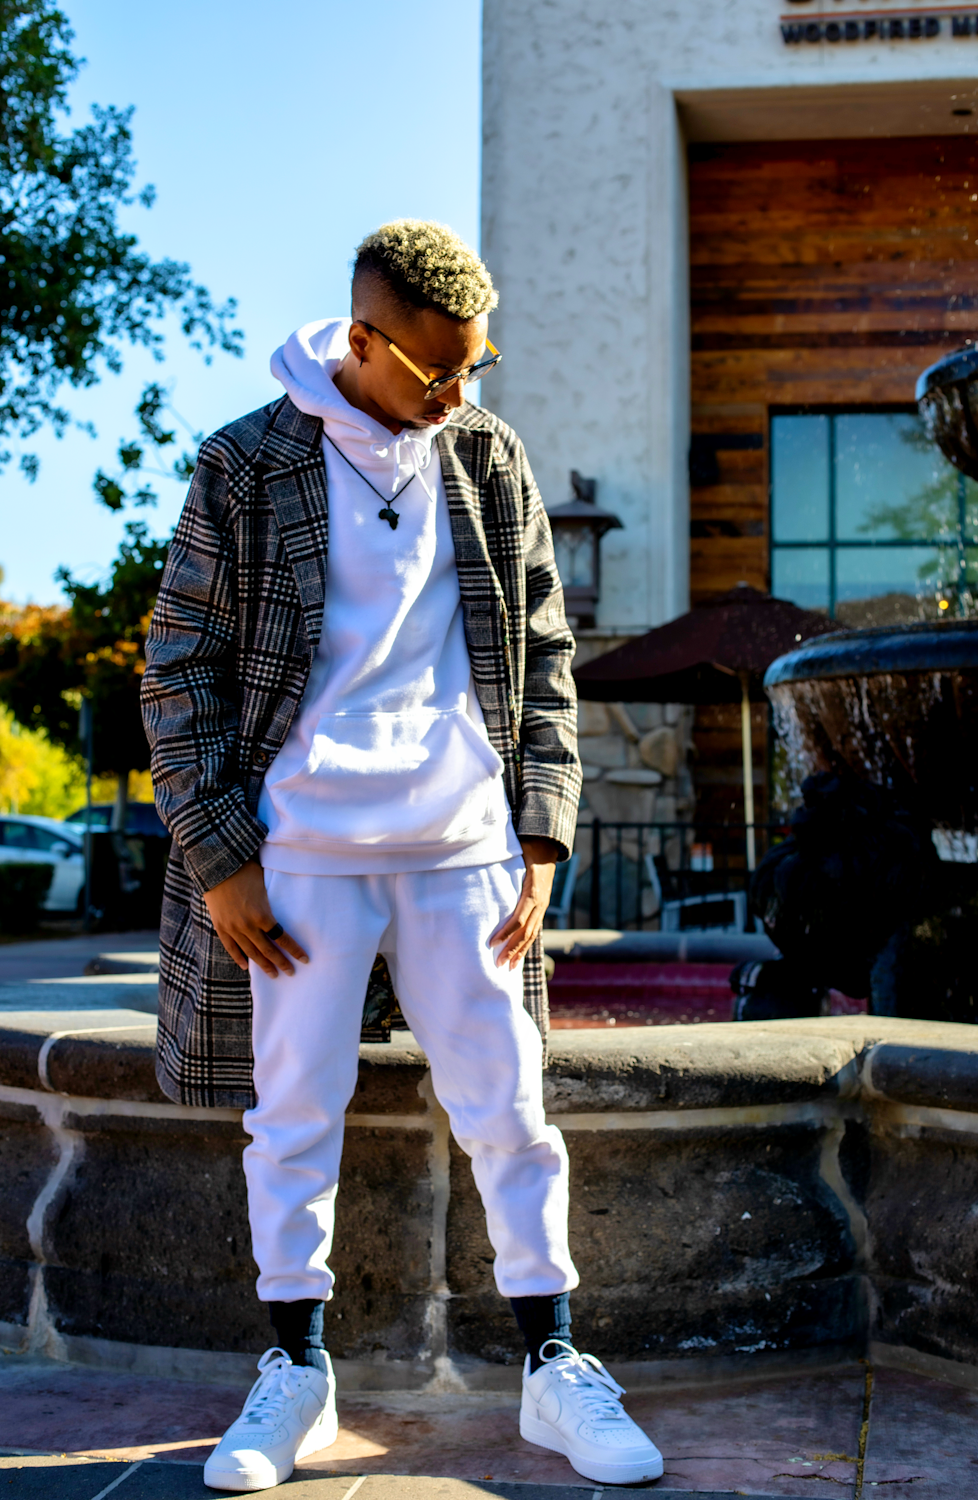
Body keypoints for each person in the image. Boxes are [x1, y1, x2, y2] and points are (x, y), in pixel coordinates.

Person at [141, 220, 663, 1492]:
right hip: (301, 853)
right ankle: (293, 1374)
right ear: (364, 341)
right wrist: (220, 859)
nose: (458, 393)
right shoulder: (248, 463)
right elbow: (179, 669)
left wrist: (539, 832)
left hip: (465, 849)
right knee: (291, 1121)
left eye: (475, 369)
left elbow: (544, 656)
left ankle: (554, 1370)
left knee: (513, 1117)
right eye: (438, 371)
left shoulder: (485, 456)